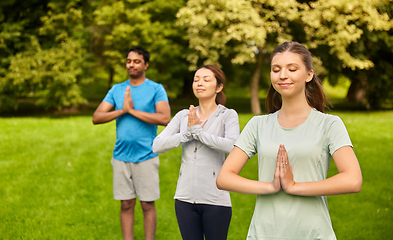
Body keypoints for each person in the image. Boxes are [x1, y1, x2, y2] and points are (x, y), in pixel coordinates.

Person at [216, 42, 363, 239]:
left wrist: (294, 187)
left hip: (312, 233)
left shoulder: (329, 125)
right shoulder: (257, 125)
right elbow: (224, 177)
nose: (282, 75)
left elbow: (353, 180)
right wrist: (270, 186)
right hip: (264, 233)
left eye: (292, 69)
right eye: (276, 70)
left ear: (309, 75)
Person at [92, 46, 171, 240]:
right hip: (121, 156)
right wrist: (122, 110)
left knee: (147, 204)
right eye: (129, 61)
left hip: (146, 155)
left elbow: (165, 117)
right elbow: (97, 117)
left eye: (136, 61)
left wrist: (133, 111)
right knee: (126, 203)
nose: (131, 65)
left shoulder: (155, 89)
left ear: (146, 64)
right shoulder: (117, 89)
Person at [152, 65, 240, 240]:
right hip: (184, 199)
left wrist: (199, 133)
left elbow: (232, 146)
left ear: (219, 87)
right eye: (196, 79)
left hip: (216, 199)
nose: (199, 83)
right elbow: (157, 145)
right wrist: (186, 134)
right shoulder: (183, 116)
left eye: (206, 80)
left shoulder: (228, 115)